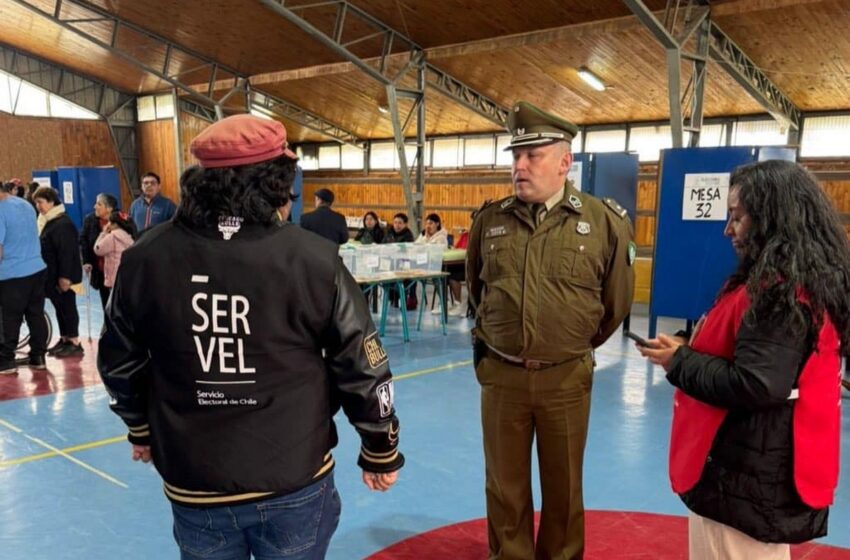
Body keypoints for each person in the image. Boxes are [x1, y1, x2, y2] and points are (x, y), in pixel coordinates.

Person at [98, 114, 404, 560]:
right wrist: (380, 447)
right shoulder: (313, 260)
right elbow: (361, 360)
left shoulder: (146, 256)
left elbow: (118, 358)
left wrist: (139, 427)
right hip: (293, 474)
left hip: (194, 477)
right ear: (278, 183)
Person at [637, 160, 850, 559]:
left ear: (770, 217)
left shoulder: (780, 294)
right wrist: (686, 346)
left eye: (737, 217)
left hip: (746, 474)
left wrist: (679, 362)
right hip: (752, 469)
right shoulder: (789, 283)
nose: (727, 230)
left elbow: (757, 383)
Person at [467, 101, 635, 560]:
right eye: (515, 156)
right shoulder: (490, 221)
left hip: (566, 378)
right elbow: (479, 296)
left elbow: (615, 305)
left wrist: (566, 345)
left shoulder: (603, 223)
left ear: (565, 163)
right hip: (503, 377)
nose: (520, 166)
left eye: (533, 156)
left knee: (563, 489)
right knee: (505, 487)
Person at [0, 182, 47, 374]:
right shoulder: (25, 204)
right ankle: (38, 357)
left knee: (9, 318)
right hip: (37, 268)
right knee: (35, 315)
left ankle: (5, 361)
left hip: (12, 273)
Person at [33, 186, 84, 358]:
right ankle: (64, 339)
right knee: (59, 307)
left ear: (51, 201)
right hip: (52, 275)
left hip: (64, 276)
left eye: (40, 202)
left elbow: (67, 253)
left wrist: (65, 277)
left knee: (68, 307)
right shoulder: (49, 221)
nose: (38, 206)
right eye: (36, 203)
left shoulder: (63, 224)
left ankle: (75, 342)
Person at [80, 193, 117, 309]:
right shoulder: (90, 220)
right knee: (105, 301)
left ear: (109, 208)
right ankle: (107, 324)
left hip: (117, 270)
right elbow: (84, 241)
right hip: (100, 270)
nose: (95, 206)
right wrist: (86, 261)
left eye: (99, 204)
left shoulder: (122, 220)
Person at [93, 210, 136, 301]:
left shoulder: (112, 237)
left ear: (115, 224)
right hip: (127, 276)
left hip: (114, 278)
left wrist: (103, 233)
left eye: (110, 222)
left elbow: (98, 249)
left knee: (115, 303)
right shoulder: (130, 236)